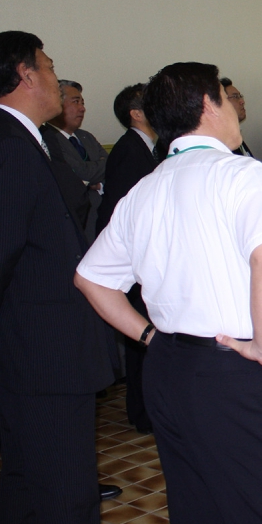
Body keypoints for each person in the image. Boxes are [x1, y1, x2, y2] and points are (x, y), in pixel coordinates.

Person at [75, 62, 262, 524]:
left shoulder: (146, 188)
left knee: (198, 523)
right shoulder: (239, 174)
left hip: (168, 370)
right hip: (231, 370)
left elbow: (91, 279)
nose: (236, 111)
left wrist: (149, 338)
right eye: (229, 99)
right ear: (208, 105)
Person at [0, 31, 116, 524]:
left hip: (31, 345)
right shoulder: (8, 144)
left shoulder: (14, 137)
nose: (55, 78)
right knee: (65, 495)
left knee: (27, 489)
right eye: (48, 67)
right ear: (25, 74)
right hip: (43, 350)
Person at [95, 84, 159, 434]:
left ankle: (148, 408)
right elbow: (124, 214)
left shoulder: (148, 148)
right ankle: (144, 412)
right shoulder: (129, 151)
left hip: (143, 260)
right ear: (136, 114)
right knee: (140, 338)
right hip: (134, 262)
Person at [42, 79, 107, 241]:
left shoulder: (86, 137)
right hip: (75, 222)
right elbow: (81, 172)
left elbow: (111, 165)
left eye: (82, 103)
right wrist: (95, 168)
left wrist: (95, 181)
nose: (82, 108)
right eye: (76, 102)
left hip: (103, 215)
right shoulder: (47, 138)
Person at [220, 77, 253, 156]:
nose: (242, 101)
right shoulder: (221, 142)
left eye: (240, 96)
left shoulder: (237, 137)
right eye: (235, 97)